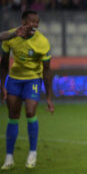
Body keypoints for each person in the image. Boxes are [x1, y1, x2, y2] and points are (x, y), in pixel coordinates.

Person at [0, 10, 54, 170]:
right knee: (13, 115)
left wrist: (49, 97)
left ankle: (32, 153)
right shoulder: (11, 36)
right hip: (15, 79)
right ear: (23, 21)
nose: (35, 25)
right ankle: (9, 157)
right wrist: (2, 85)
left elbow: (47, 70)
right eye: (31, 21)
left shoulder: (42, 42)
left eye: (37, 22)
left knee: (30, 112)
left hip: (33, 79)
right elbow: (3, 64)